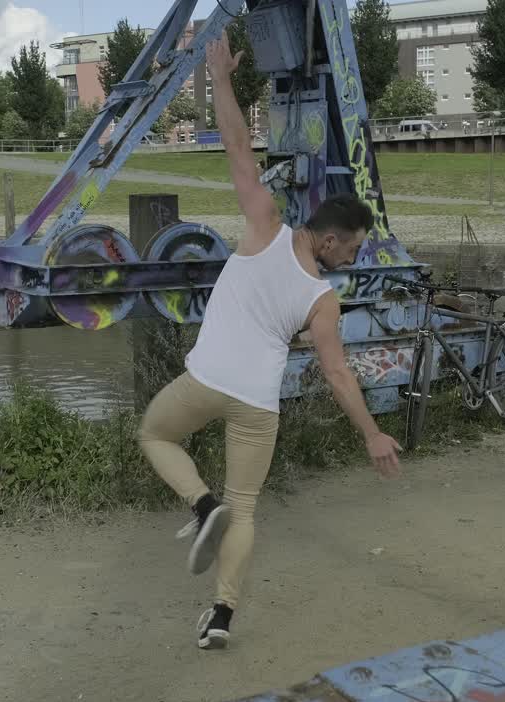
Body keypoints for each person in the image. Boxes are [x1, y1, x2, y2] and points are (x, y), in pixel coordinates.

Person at [138, 34, 402, 651]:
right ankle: (221, 615)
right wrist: (371, 434)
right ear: (330, 239)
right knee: (247, 507)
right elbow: (338, 375)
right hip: (259, 404)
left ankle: (201, 506)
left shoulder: (264, 225)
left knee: (154, 434)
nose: (352, 259)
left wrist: (221, 80)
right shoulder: (323, 299)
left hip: (207, 381)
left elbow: (237, 146)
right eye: (353, 249)